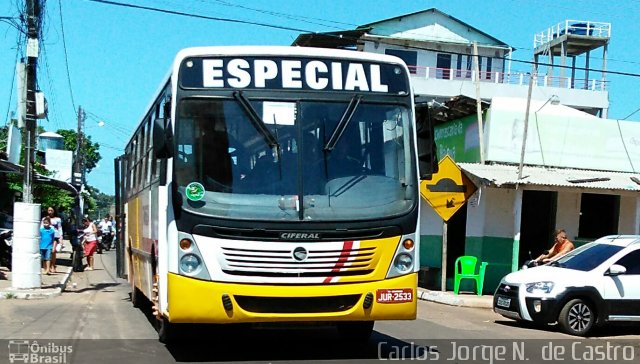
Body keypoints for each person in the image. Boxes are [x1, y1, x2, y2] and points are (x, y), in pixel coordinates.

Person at [41, 207, 63, 273]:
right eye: (49, 210)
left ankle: (53, 265)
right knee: (45, 252)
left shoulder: (57, 219)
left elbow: (59, 228)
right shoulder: (44, 219)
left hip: (55, 236)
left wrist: (61, 237)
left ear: (54, 211)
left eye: (51, 210)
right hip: (46, 237)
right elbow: (41, 227)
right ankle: (47, 267)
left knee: (53, 251)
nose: (50, 212)